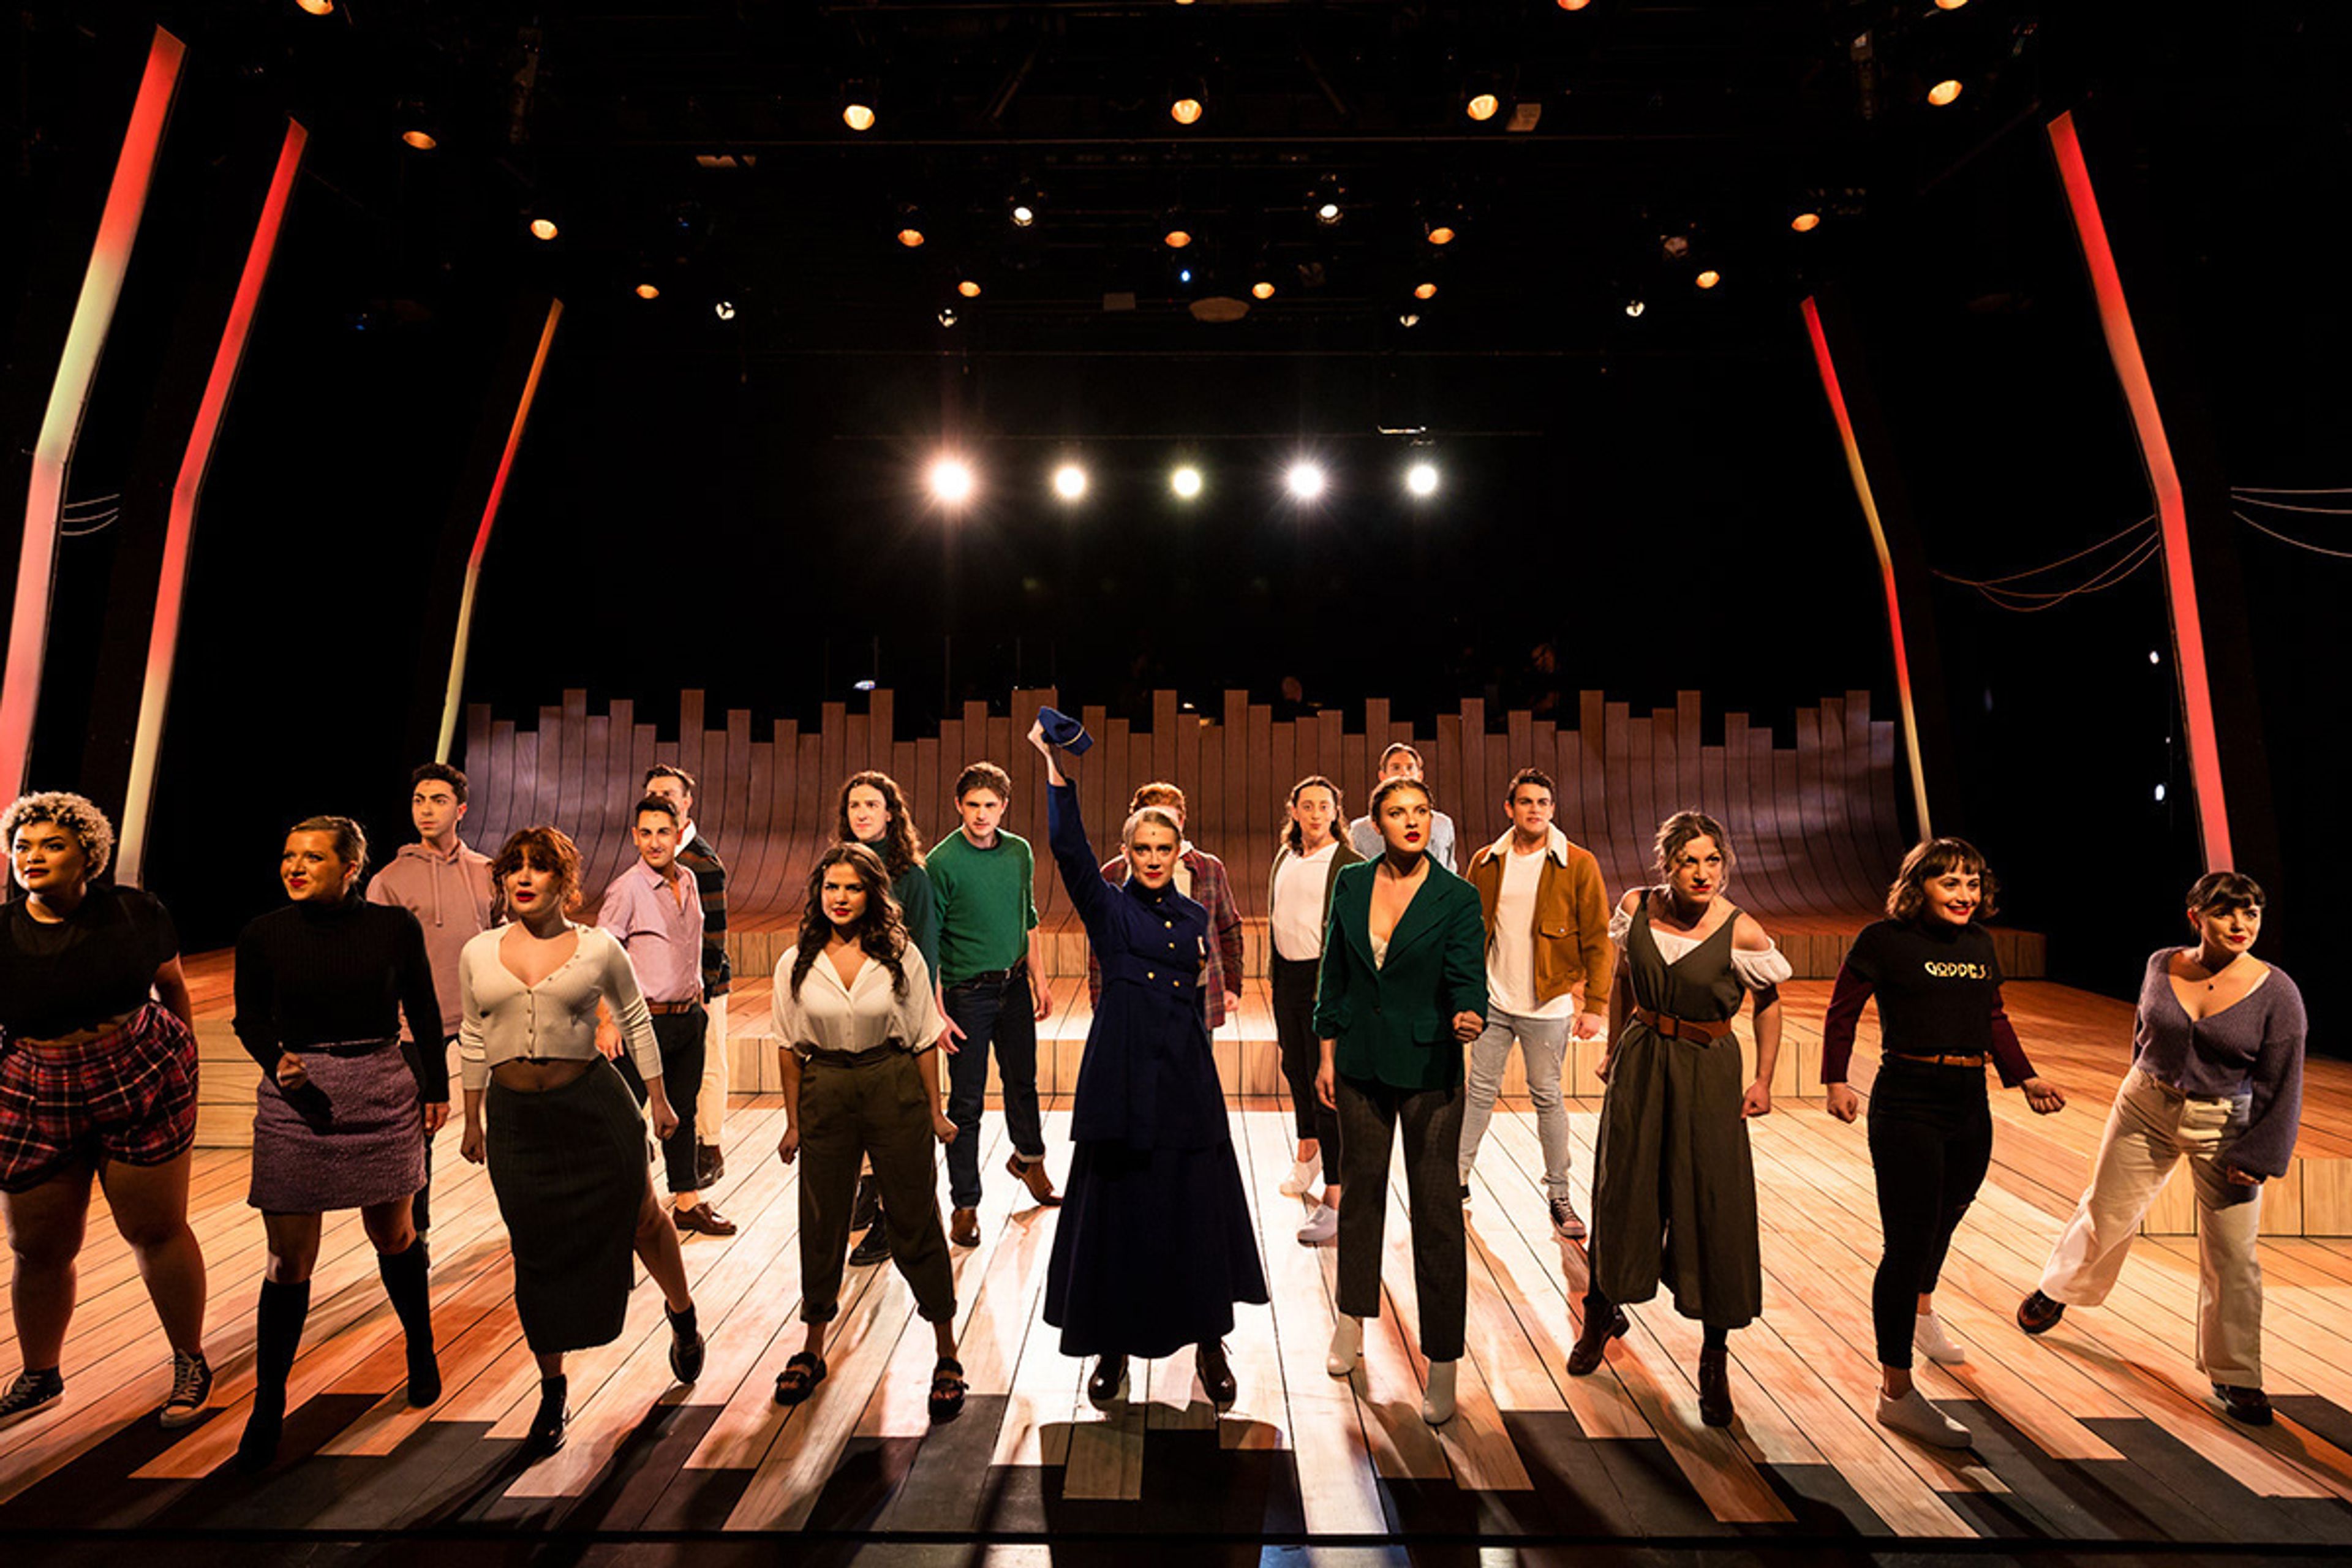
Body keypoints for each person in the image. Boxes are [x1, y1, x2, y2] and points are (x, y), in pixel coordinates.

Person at [1028, 720, 1267, 1409]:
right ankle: (1111, 1344)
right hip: (1123, 1075)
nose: (1155, 856)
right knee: (1119, 1213)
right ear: (1127, 852)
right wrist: (1055, 770)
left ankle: (1208, 1341)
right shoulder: (1108, 908)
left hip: (1185, 1075)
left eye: (1164, 847)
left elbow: (1198, 996)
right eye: (1143, 846)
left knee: (1194, 1210)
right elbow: (1066, 847)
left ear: (1176, 850)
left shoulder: (1195, 915)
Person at [2018, 871, 2306, 1427]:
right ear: (2195, 917)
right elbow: (2144, 1035)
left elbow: (2283, 1082)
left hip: (2225, 1123)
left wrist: (2261, 1154)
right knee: (2106, 1210)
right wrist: (2138, 1084)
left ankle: (2236, 1376)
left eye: (2252, 913)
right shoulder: (2161, 964)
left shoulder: (2278, 992)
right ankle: (2057, 1288)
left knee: (2232, 1255)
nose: (2242, 925)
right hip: (2146, 1104)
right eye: (2227, 913)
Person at [459, 826, 704, 1458]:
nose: (523, 877)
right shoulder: (479, 952)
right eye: (513, 867)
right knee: (533, 1246)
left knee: (644, 1220)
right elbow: (473, 1031)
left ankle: (682, 1315)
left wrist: (660, 1097)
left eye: (538, 868)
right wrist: (471, 1117)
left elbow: (634, 1020)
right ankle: (551, 1387)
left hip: (594, 1108)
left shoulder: (596, 948)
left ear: (563, 881)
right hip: (519, 1119)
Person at [1820, 839, 2066, 1447]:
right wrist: (1835, 1080)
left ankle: (1923, 1314)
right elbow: (1841, 1012)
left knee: (1945, 1220)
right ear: (1919, 886)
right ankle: (1895, 1393)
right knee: (1906, 1241)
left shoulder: (1981, 945)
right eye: (1950, 883)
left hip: (1968, 1099)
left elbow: (1993, 1016)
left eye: (1973, 884)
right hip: (1907, 1097)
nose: (1965, 895)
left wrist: (2025, 1074)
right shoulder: (1882, 940)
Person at [231, 815, 448, 1468]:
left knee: (395, 1236)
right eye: (290, 855)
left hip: (381, 1085)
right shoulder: (263, 934)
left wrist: (435, 1087)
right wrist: (275, 1058)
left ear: (351, 867)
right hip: (297, 1098)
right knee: (287, 1260)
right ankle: (269, 1406)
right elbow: (248, 1016)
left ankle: (420, 1345)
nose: (295, 867)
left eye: (314, 858)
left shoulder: (392, 927)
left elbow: (426, 1010)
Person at [1567, 810, 1790, 1431]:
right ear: (1667, 864)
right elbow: (1623, 981)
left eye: (1713, 861)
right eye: (1690, 861)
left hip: (1706, 1069)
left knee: (1711, 1204)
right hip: (1642, 1061)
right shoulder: (1637, 907)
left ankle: (1714, 1357)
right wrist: (1614, 1048)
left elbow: (1770, 1005)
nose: (1702, 872)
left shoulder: (1742, 931)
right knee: (1622, 1191)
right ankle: (1600, 1314)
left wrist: (1764, 1079)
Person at [0, 793, 211, 1429]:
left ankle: (190, 1360)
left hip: (136, 1071)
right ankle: (40, 1375)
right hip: (37, 1083)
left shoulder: (134, 911)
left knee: (156, 1228)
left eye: (51, 845)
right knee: (36, 1244)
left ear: (87, 855)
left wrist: (187, 1059)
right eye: (23, 845)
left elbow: (171, 983)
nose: (32, 856)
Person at [768, 843, 966, 1420]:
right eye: (832, 888)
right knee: (824, 1217)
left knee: (913, 1215)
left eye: (852, 888)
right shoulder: (795, 963)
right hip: (825, 1085)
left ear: (872, 894)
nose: (840, 898)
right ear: (818, 893)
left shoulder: (901, 957)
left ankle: (947, 1351)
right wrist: (793, 1123)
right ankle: (812, 1347)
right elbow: (788, 1046)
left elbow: (924, 1037)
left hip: (891, 1081)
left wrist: (935, 1111)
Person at [1316, 775, 1487, 1425]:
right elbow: (1334, 971)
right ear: (1376, 824)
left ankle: (1442, 1359)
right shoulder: (1353, 883)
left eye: (1421, 811)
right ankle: (1351, 1322)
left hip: (1430, 1067)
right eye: (1397, 812)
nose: (1411, 822)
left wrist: (1469, 1012)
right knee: (1361, 1196)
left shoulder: (1457, 896)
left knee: (1437, 1211)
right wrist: (1327, 1055)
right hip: (1360, 1060)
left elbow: (1469, 975)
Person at [1458, 768, 1613, 1240]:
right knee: (1478, 1093)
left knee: (1548, 1097)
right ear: (1510, 809)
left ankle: (1559, 1193)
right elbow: (1466, 934)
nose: (1535, 810)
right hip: (1493, 1002)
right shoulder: (1487, 861)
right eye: (1526, 802)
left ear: (1552, 809)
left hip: (1548, 1006)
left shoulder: (1577, 863)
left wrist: (1596, 1004)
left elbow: (1599, 939)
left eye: (1543, 802)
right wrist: (1466, 996)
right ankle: (1455, 1180)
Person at [929, 761, 1058, 1247]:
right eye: (973, 805)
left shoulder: (1019, 852)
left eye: (990, 805)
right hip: (966, 993)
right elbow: (931, 941)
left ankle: (1030, 1161)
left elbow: (1027, 916)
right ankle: (965, 1204)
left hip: (1013, 986)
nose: (982, 814)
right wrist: (938, 1012)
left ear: (1004, 806)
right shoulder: (942, 863)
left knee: (1023, 1081)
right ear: (959, 806)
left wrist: (1039, 979)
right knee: (966, 1101)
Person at [366, 763, 494, 1240]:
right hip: (414, 1026)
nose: (426, 809)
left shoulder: (487, 872)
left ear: (460, 810)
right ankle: (415, 1236)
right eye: (419, 800)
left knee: (507, 1123)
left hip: (481, 1018)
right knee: (419, 1134)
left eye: (438, 800)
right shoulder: (389, 880)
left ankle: (524, 1223)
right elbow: (377, 961)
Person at [597, 794, 733, 1237]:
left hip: (687, 1018)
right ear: (635, 837)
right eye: (646, 833)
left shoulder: (692, 880)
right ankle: (609, 1204)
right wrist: (606, 1019)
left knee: (683, 1113)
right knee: (625, 1117)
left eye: (664, 832)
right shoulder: (626, 889)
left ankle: (687, 1201)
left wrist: (700, 1004)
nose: (655, 842)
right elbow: (602, 956)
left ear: (679, 834)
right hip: (643, 1022)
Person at [837, 771, 940, 1268]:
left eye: (871, 805)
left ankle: (885, 1217)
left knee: (890, 1119)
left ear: (890, 814)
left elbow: (924, 951)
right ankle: (863, 1191)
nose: (861, 813)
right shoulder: (836, 868)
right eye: (854, 805)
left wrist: (917, 1015)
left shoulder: (911, 876)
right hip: (845, 1007)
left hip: (893, 1011)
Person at [1267, 775, 1359, 1245]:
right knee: (1295, 1067)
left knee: (1328, 1082)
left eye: (1325, 805)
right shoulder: (1287, 855)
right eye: (1308, 805)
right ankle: (1307, 1152)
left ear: (1336, 812)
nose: (1317, 813)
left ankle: (1337, 1196)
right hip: (1289, 979)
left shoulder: (1349, 863)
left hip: (1325, 983)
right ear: (1295, 811)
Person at [1088, 782, 1246, 1041]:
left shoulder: (1208, 869)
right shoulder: (1112, 874)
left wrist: (1232, 986)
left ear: (1181, 823)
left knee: (1193, 1076)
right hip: (1134, 993)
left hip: (1193, 992)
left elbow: (1228, 928)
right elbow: (1100, 947)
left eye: (1167, 821)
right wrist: (1100, 1001)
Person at [642, 766, 731, 1191]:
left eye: (670, 794)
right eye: (654, 792)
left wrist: (706, 993)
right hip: (662, 988)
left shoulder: (701, 860)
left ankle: (709, 1147)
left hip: (701, 987)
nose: (662, 798)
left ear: (686, 802)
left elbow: (714, 935)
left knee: (709, 1064)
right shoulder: (653, 850)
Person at [1346, 744, 1458, 872]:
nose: (1404, 773)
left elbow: (1450, 871)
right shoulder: (1361, 830)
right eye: (1396, 768)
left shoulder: (1443, 825)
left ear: (1420, 776)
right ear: (1383, 777)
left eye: (1410, 768)